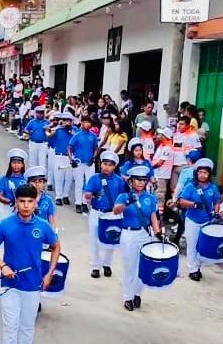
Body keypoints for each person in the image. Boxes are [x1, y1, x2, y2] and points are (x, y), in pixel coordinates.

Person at [0, 184, 60, 344]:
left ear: (36, 202)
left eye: (30, 201)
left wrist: (50, 273)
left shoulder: (43, 226)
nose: (26, 206)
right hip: (10, 286)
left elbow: (56, 246)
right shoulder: (6, 225)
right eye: (22, 201)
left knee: (27, 326)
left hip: (32, 285)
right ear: (16, 202)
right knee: (10, 326)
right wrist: (3, 266)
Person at [114, 166, 164, 311]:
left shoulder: (150, 198)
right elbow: (116, 210)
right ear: (131, 181)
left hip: (145, 234)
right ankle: (128, 297)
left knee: (143, 266)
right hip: (129, 234)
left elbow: (153, 216)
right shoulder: (124, 196)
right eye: (137, 180)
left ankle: (137, 293)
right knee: (130, 266)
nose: (141, 183)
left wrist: (158, 232)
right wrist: (127, 202)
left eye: (143, 180)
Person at [83, 151, 126, 279]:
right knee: (94, 239)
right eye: (105, 164)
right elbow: (87, 194)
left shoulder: (119, 181)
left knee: (110, 240)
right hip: (97, 212)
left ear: (114, 167)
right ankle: (95, 266)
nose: (106, 167)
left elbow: (123, 197)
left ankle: (107, 264)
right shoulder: (95, 178)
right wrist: (90, 195)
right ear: (101, 164)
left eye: (110, 165)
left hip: (112, 213)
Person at [176, 158, 219, 282]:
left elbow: (216, 202)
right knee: (192, 245)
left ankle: (198, 266)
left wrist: (216, 212)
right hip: (192, 220)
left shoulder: (213, 188)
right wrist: (194, 204)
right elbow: (182, 201)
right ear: (197, 173)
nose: (203, 175)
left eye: (205, 173)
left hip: (206, 221)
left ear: (209, 174)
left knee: (202, 245)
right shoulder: (191, 186)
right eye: (200, 172)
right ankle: (192, 270)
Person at [67, 115, 99, 214]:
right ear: (81, 123)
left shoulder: (93, 136)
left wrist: (94, 158)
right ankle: (78, 203)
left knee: (89, 184)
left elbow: (96, 148)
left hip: (89, 163)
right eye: (85, 122)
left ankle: (85, 203)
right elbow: (69, 148)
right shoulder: (77, 135)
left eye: (89, 122)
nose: (87, 124)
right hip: (78, 163)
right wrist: (71, 160)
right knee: (79, 184)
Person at [48, 113, 75, 205]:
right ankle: (58, 196)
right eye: (64, 120)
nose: (66, 122)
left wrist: (71, 133)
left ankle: (65, 195)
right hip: (59, 155)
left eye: (68, 120)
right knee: (59, 176)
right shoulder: (58, 130)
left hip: (71, 157)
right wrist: (53, 129)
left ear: (71, 122)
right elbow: (49, 138)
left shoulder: (75, 131)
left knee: (68, 177)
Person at [21, 105, 50, 173]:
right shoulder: (32, 122)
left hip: (43, 143)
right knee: (32, 161)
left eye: (41, 113)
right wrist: (29, 132)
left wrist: (48, 129)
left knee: (42, 161)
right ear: (36, 113)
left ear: (43, 113)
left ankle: (41, 175)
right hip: (33, 143)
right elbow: (25, 129)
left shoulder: (46, 122)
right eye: (38, 112)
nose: (40, 114)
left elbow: (50, 132)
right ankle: (32, 175)